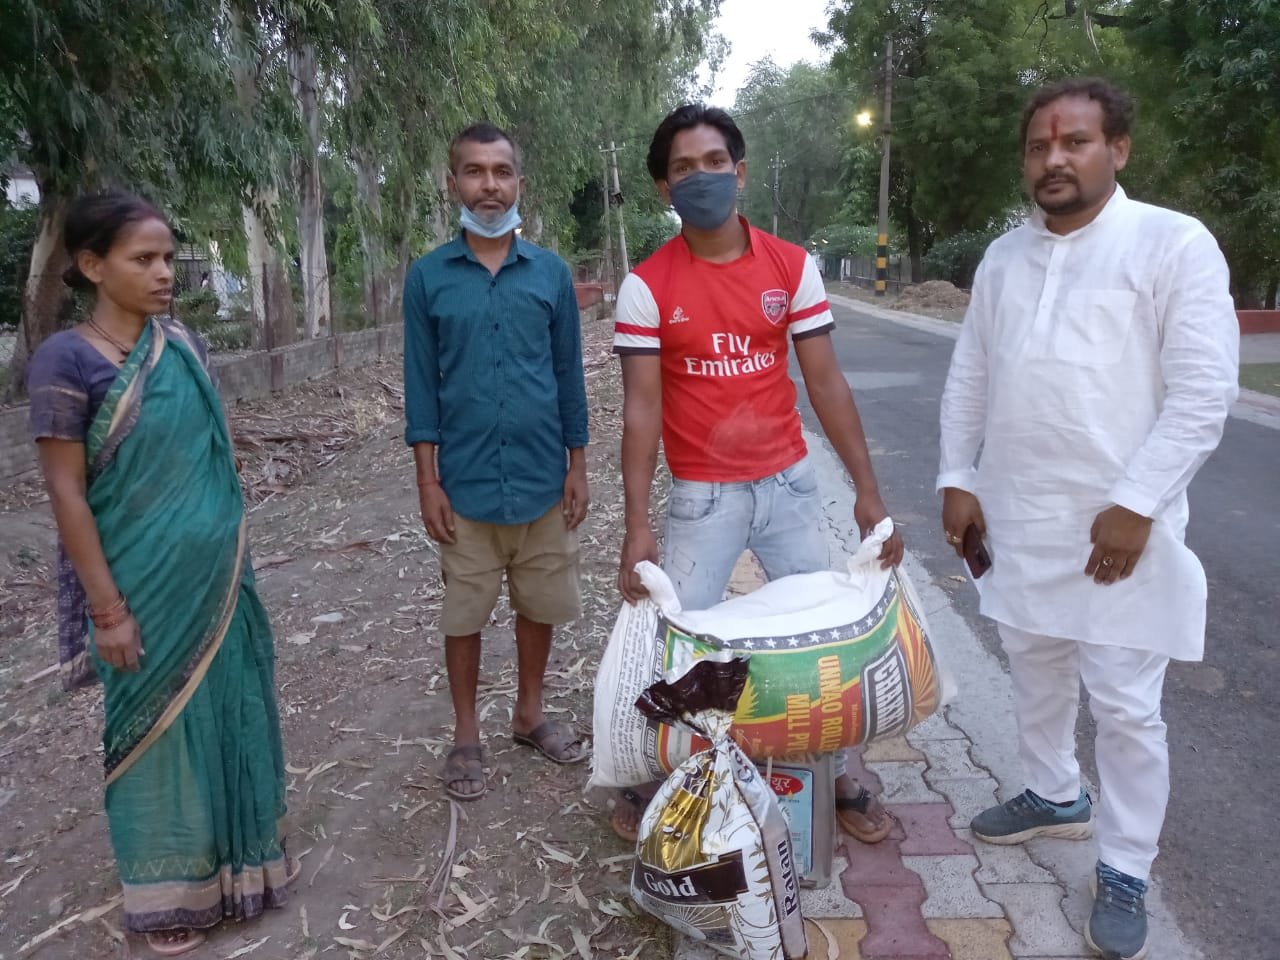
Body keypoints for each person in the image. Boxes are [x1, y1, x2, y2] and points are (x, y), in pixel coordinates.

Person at [937, 78, 1238, 960]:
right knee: (1034, 667)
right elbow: (971, 375)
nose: (1054, 159)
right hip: (1020, 514)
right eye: (1039, 146)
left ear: (1119, 149)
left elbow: (1204, 392)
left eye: (1075, 141)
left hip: (1121, 529)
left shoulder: (1172, 242)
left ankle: (1126, 865)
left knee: (1125, 704)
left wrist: (1138, 504)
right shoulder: (1004, 258)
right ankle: (1054, 793)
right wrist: (957, 476)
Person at [610, 103, 904, 844]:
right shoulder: (647, 285)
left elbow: (825, 383)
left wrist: (867, 492)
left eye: (714, 162)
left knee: (824, 637)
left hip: (790, 487)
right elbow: (641, 410)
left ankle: (839, 777)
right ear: (663, 188)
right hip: (702, 498)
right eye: (683, 168)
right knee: (677, 643)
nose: (701, 177)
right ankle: (654, 775)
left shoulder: (791, 267)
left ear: (739, 172)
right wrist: (638, 524)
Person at [27, 192, 292, 957]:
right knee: (155, 731)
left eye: (169, 257)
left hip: (218, 577)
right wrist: (106, 611)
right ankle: (171, 892)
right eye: (143, 259)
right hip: (140, 587)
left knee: (232, 711)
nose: (164, 272)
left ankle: (245, 869)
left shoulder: (183, 345)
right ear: (91, 265)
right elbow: (68, 493)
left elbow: (210, 456)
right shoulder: (66, 361)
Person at [403, 122, 591, 801]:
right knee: (466, 614)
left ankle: (530, 714)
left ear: (519, 183)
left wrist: (578, 464)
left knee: (539, 602)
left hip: (543, 478)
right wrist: (428, 480)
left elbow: (568, 375)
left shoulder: (550, 274)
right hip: (466, 484)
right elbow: (422, 387)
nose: (489, 185)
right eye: (475, 171)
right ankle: (465, 735)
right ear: (452, 182)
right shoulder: (428, 278)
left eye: (501, 171)